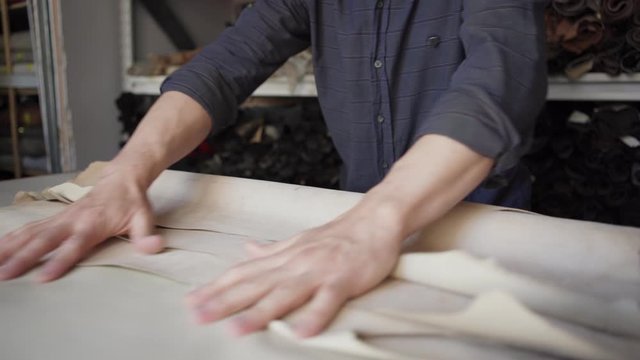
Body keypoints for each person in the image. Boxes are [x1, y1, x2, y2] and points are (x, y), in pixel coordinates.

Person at [0, 0, 547, 338]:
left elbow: (498, 82)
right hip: (350, 232)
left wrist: (379, 217)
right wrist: (127, 173)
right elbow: (223, 67)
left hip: (480, 226)